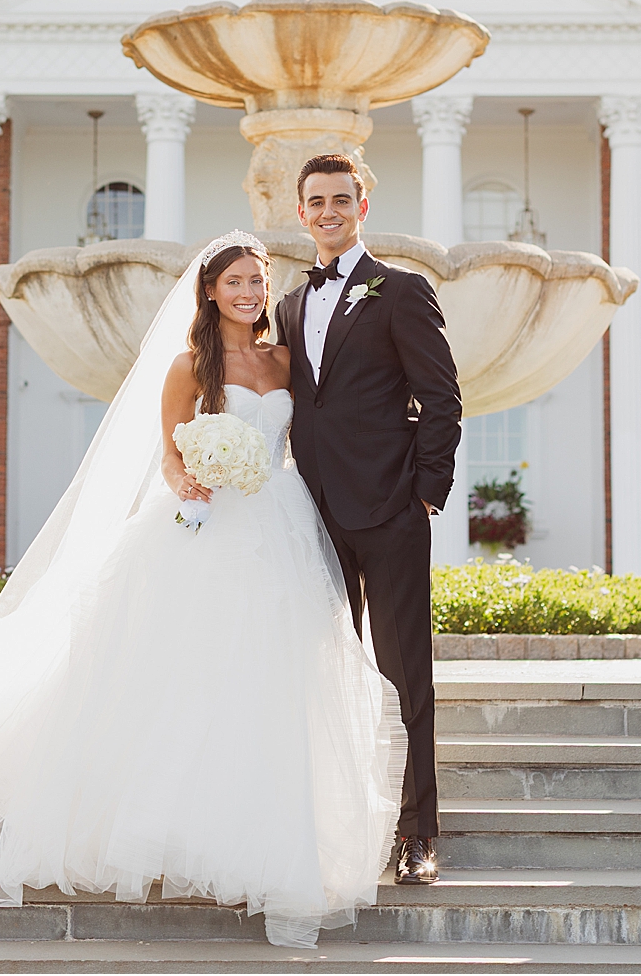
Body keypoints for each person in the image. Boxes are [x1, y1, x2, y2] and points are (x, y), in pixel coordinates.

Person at [0, 232, 406, 949]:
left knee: (276, 680)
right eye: (236, 281)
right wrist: (194, 477)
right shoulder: (189, 365)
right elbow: (172, 458)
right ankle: (172, 827)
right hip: (208, 532)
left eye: (258, 281)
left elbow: (315, 433)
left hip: (282, 526)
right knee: (189, 676)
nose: (249, 292)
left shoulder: (285, 360)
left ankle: (272, 840)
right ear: (211, 291)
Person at [275, 154, 463, 885]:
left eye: (340, 199)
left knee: (405, 673)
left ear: (361, 206)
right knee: (322, 674)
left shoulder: (402, 290)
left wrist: (425, 491)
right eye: (316, 200)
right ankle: (336, 819)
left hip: (389, 510)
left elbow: (441, 395)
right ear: (301, 212)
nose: (328, 211)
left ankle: (418, 832)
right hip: (311, 516)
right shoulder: (289, 304)